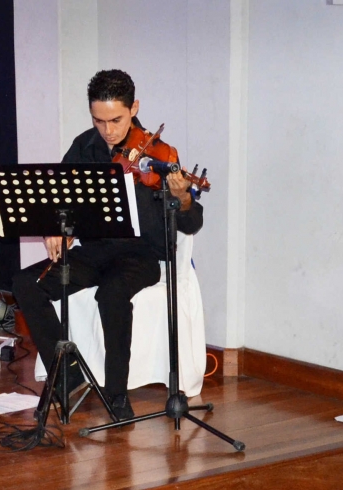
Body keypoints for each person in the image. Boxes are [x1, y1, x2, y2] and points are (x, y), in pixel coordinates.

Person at [12, 69, 205, 422]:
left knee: (112, 294)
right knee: (26, 284)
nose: (108, 130)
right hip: (96, 251)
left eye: (115, 120)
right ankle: (67, 372)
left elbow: (192, 224)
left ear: (134, 108)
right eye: (99, 121)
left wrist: (184, 199)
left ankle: (117, 394)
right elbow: (59, 201)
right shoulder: (84, 147)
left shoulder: (158, 153)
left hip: (142, 255)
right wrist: (54, 229)